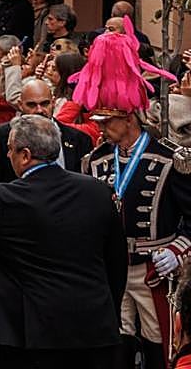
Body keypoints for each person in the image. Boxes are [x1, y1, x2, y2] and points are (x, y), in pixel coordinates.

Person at [0, 115, 127, 368]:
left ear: (25, 155)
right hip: (94, 326)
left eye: (10, 150)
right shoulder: (98, 191)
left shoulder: (6, 198)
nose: (7, 157)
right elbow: (117, 261)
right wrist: (106, 310)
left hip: (33, 334)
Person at [83, 75, 191, 365]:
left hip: (153, 269)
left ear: (129, 118)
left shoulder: (170, 159)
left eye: (107, 122)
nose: (100, 127)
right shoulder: (96, 160)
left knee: (160, 343)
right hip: (111, 267)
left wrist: (176, 251)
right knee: (116, 340)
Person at [0, 77, 93, 184]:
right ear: (20, 105)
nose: (39, 110)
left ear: (53, 102)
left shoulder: (79, 139)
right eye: (32, 105)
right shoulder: (4, 135)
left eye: (45, 104)